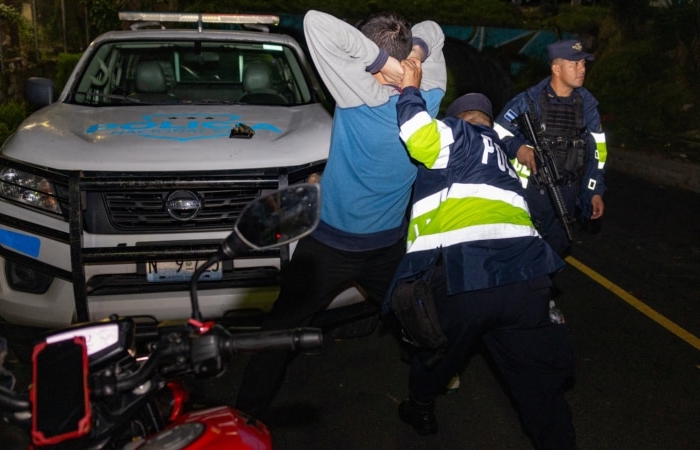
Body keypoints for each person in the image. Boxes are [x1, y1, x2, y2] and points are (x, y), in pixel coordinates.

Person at [234, 9, 447, 421]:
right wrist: (413, 62)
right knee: (421, 320)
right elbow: (433, 30)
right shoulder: (432, 94)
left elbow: (315, 22)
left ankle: (242, 419)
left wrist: (383, 66)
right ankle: (432, 389)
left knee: (277, 335)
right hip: (387, 246)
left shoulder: (355, 92)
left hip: (329, 245)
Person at [387, 60, 576, 448]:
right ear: (489, 122)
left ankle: (421, 407)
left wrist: (409, 90)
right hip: (526, 279)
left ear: (460, 119)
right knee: (539, 390)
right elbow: (548, 220)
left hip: (466, 278)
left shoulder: (455, 133)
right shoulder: (510, 162)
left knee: (437, 350)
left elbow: (417, 134)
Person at [494, 39, 608, 258]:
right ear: (556, 68)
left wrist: (594, 191)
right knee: (522, 252)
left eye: (583, 64)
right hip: (528, 193)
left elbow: (598, 153)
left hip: (567, 192)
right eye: (574, 64)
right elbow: (496, 131)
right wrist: (518, 147)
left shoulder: (588, 106)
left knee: (557, 250)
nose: (581, 69)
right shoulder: (528, 101)